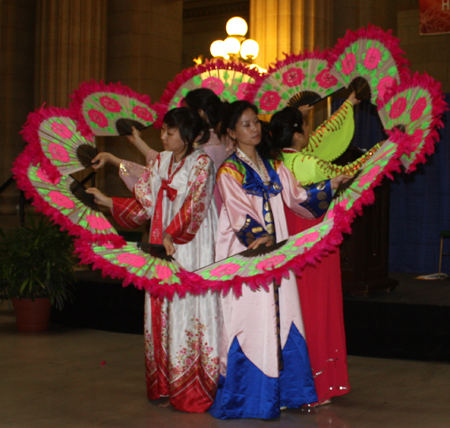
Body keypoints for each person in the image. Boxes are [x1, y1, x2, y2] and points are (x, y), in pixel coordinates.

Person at [209, 100, 351, 419]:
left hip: (278, 254)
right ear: (231, 132)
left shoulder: (273, 163)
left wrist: (331, 185)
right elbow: (237, 212)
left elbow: (298, 198)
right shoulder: (229, 170)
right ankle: (250, 398)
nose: (255, 128)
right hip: (248, 256)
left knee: (285, 316)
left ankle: (288, 393)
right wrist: (258, 238)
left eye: (256, 122)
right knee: (250, 322)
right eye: (246, 124)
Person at [87, 107, 222, 413]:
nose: (163, 136)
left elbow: (195, 206)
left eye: (170, 132)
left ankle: (191, 387)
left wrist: (172, 235)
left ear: (188, 135)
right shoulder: (161, 160)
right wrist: (109, 201)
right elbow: (145, 202)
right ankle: (165, 384)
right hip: (162, 244)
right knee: (160, 311)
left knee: (188, 310)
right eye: (163, 131)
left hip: (191, 246)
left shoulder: (202, 163)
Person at [269, 95, 383, 405]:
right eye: (305, 126)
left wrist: (344, 103)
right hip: (314, 242)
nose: (310, 132)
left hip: (286, 245)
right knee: (319, 309)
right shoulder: (306, 162)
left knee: (292, 313)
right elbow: (351, 170)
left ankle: (291, 383)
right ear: (296, 133)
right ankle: (319, 385)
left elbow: (321, 137)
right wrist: (384, 149)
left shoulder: (272, 162)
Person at [116, 88, 234, 210]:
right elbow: (164, 164)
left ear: (200, 114)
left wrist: (118, 161)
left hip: (203, 213)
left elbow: (166, 171)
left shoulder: (205, 149)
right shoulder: (219, 141)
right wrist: (137, 142)